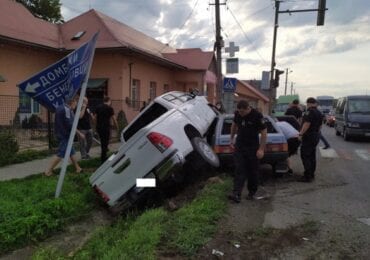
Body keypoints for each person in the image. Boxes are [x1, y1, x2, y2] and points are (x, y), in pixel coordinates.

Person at [228, 100, 267, 202]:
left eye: (243, 112)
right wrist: (231, 138)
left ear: (248, 108)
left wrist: (261, 149)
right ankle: (236, 194)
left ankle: (252, 193)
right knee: (239, 169)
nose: (241, 114)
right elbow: (234, 125)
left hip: (253, 147)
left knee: (252, 171)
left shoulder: (257, 115)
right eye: (239, 111)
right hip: (240, 146)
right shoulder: (237, 114)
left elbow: (264, 133)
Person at [44, 96, 83, 176]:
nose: (76, 105)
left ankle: (78, 168)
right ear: (72, 102)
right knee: (61, 153)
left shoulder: (61, 107)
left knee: (71, 152)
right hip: (65, 135)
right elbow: (70, 124)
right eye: (76, 102)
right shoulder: (67, 110)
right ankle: (48, 171)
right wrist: (79, 133)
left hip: (61, 133)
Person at [298, 97, 323, 182]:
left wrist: (300, 134)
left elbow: (306, 124)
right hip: (316, 135)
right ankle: (312, 174)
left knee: (305, 155)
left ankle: (307, 176)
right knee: (312, 155)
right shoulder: (319, 113)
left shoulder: (309, 112)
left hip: (309, 136)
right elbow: (320, 126)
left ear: (308, 103)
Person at [93, 96, 118, 163]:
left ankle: (104, 155)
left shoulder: (98, 107)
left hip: (99, 127)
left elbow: (94, 118)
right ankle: (103, 158)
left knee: (102, 141)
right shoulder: (110, 108)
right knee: (105, 142)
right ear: (109, 101)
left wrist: (95, 126)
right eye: (110, 102)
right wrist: (117, 127)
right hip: (106, 128)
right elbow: (114, 119)